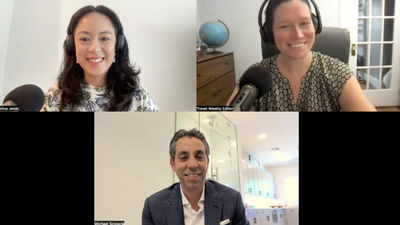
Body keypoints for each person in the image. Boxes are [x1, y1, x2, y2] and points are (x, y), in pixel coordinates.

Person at [247, 0, 376, 111]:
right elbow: (229, 116)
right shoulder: (255, 76)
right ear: (269, 33)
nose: (297, 35)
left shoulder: (337, 72)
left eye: (304, 23)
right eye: (284, 26)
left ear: (315, 26)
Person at [42, 5, 158, 111]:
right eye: (85, 39)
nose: (94, 49)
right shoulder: (55, 97)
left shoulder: (139, 98)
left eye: (104, 38)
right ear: (72, 45)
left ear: (118, 44)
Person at [142, 128, 249, 225]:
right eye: (184, 157)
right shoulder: (153, 206)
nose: (193, 165)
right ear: (172, 164)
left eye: (199, 157)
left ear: (208, 161)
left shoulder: (233, 200)